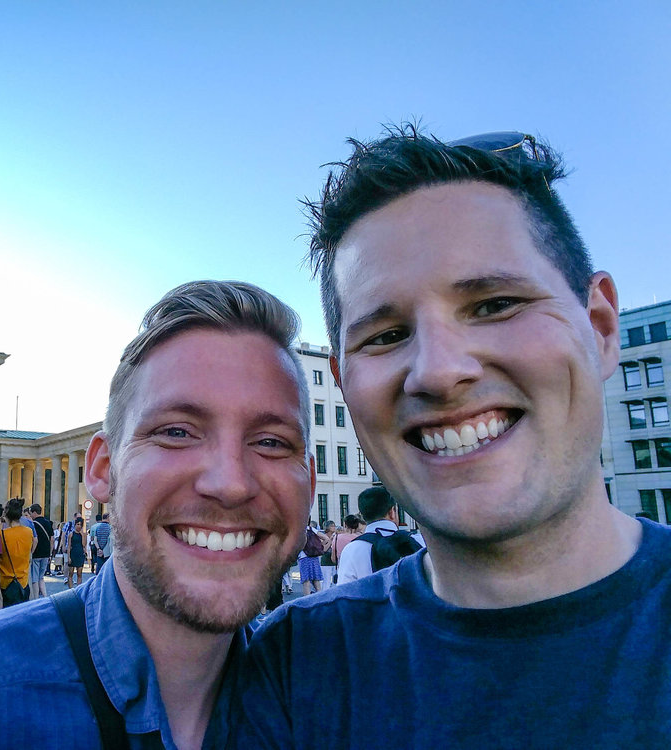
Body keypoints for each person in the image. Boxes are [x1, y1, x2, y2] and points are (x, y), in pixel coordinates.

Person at [234, 126, 671, 747]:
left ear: (600, 327)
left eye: (495, 304)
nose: (438, 372)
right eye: (385, 336)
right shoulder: (291, 667)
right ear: (344, 383)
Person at [0, 279, 315, 749]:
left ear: (309, 483)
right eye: (177, 432)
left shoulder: (333, 704)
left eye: (271, 442)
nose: (230, 483)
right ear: (102, 468)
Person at [334, 486, 416, 584]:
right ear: (392, 512)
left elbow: (345, 589)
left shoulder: (352, 549)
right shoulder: (415, 540)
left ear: (362, 516)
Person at [0, 497, 34, 606]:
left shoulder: (1, 534)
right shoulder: (29, 532)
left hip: (6, 584)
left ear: (6, 515)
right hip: (23, 582)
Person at [27, 504, 52, 600]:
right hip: (46, 553)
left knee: (35, 578)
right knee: (41, 577)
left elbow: (34, 539)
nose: (30, 515)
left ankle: (36, 598)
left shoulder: (33, 524)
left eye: (30, 513)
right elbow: (52, 539)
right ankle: (45, 597)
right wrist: (50, 552)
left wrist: (31, 552)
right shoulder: (48, 523)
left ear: (34, 512)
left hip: (36, 553)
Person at [297, 519, 326, 595]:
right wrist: (320, 547)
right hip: (314, 557)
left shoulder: (299, 530)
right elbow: (326, 538)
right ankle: (320, 599)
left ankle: (307, 600)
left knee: (306, 582)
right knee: (316, 581)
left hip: (303, 558)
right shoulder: (311, 529)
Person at [64, 517, 87, 588]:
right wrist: (68, 557)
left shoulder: (83, 534)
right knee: (71, 573)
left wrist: (82, 535)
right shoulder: (71, 534)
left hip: (80, 554)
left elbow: (84, 544)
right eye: (77, 524)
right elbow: (69, 546)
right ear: (75, 525)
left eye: (80, 525)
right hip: (73, 554)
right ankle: (71, 589)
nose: (79, 526)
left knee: (79, 573)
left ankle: (78, 588)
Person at [317, 521, 338, 590]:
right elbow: (324, 549)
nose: (334, 527)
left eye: (334, 526)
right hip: (326, 561)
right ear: (327, 527)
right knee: (326, 581)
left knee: (335, 581)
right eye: (332, 526)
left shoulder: (336, 536)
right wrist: (330, 540)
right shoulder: (323, 537)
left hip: (335, 561)